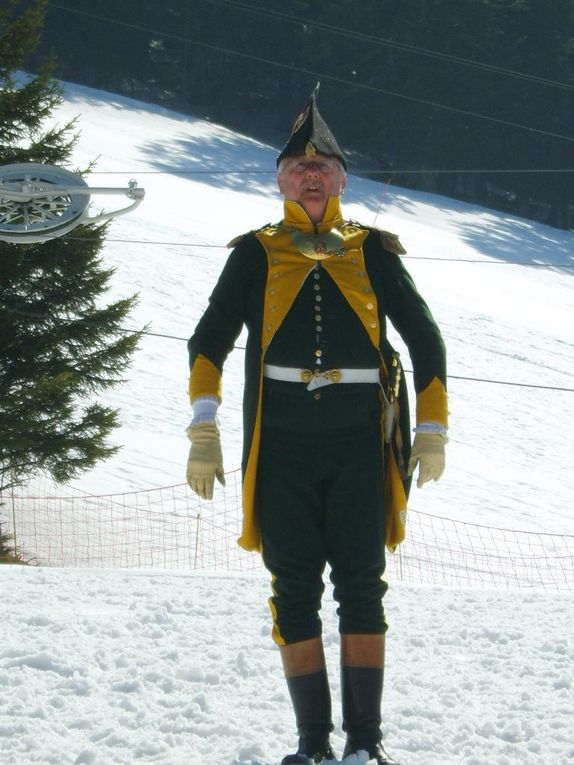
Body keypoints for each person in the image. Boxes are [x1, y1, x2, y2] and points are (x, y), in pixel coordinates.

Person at [185, 83, 448, 765]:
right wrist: (203, 428)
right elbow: (207, 341)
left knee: (362, 584)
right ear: (278, 178)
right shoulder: (254, 253)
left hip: (362, 447)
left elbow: (427, 339)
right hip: (283, 453)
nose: (310, 174)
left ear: (340, 179)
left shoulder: (374, 250)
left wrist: (433, 428)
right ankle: (313, 745)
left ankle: (367, 741)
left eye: (322, 166)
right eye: (298, 166)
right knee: (293, 588)